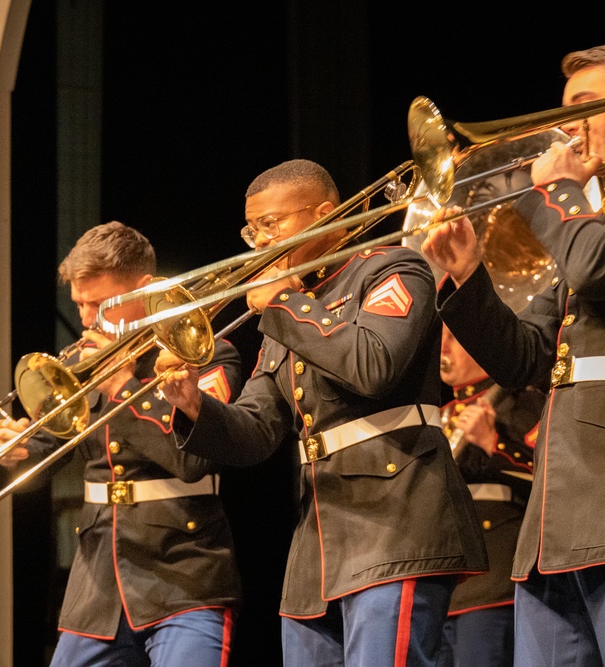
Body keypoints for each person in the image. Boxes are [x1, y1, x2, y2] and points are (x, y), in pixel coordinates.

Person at [155, 159, 488, 666]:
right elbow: (258, 432)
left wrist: (288, 305)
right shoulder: (291, 308)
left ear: (325, 214)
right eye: (253, 229)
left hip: (397, 525)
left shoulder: (393, 267)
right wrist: (194, 405)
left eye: (272, 224)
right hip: (318, 547)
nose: (261, 242)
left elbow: (375, 365)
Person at [422, 44, 605, 666]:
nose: (566, 127)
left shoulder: (578, 223)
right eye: (566, 111)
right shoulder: (581, 219)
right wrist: (468, 275)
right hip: (557, 521)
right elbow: (527, 359)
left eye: (589, 106)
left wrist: (553, 193)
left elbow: (594, 265)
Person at [0, 221, 244, 666]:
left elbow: (194, 459)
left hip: (184, 574)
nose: (86, 319)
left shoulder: (203, 353)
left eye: (100, 303)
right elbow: (49, 449)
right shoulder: (81, 362)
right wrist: (19, 451)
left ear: (144, 288)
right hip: (97, 582)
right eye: (78, 304)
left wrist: (122, 388)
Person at [435, 325, 544, 667]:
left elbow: (550, 480)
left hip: (493, 583)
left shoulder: (518, 401)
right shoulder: (437, 416)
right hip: (442, 587)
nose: (443, 346)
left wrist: (492, 443)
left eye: (453, 337)